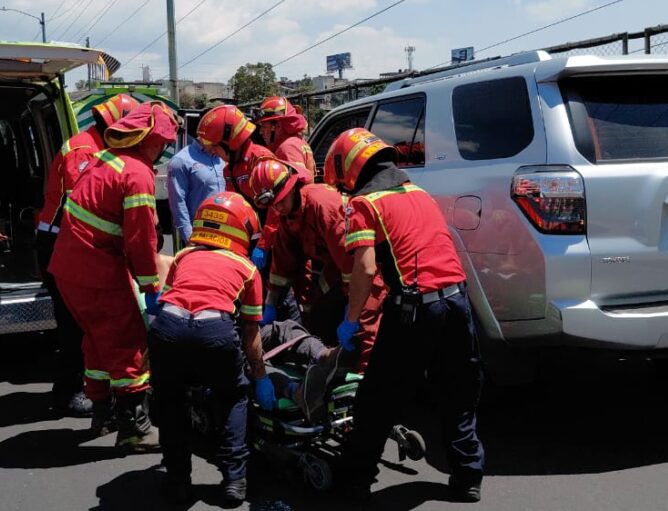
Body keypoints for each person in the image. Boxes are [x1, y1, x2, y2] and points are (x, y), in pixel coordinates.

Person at [326, 128, 485, 503]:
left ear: (349, 169)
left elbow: (365, 268)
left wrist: (351, 320)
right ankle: (468, 477)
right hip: (458, 302)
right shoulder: (419, 193)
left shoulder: (364, 205)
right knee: (458, 393)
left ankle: (355, 481)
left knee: (377, 399)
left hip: (415, 310)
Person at [48, 101, 178, 449]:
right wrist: (150, 286)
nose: (163, 150)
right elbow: (140, 239)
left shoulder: (107, 158)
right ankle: (135, 429)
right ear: (150, 139)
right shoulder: (136, 173)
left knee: (96, 340)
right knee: (127, 342)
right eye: (163, 143)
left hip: (69, 270)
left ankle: (102, 414)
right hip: (96, 272)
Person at [146, 192, 273, 506]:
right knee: (232, 397)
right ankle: (234, 480)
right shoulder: (247, 269)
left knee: (171, 402)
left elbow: (166, 304)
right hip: (214, 331)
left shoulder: (184, 256)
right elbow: (250, 332)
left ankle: (177, 481)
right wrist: (259, 376)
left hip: (167, 329)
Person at [35, 94, 139, 416]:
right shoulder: (84, 150)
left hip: (72, 239)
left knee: (85, 320)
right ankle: (68, 393)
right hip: (61, 240)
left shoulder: (99, 148)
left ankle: (90, 386)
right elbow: (84, 204)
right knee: (73, 322)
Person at [249, 156, 385, 372]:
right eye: (273, 205)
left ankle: (362, 376)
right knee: (318, 314)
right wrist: (271, 303)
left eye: (281, 201)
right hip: (336, 268)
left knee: (364, 322)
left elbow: (354, 266)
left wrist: (352, 309)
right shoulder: (289, 215)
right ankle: (332, 362)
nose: (278, 208)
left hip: (363, 268)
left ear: (292, 187)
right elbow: (283, 264)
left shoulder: (322, 205)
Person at [196, 105, 300, 322]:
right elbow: (235, 208)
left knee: (280, 293)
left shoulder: (260, 159)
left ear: (229, 142)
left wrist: (263, 245)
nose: (211, 151)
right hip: (252, 243)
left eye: (214, 146)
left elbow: (276, 206)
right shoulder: (229, 169)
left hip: (272, 242)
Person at [166, 124, 226, 247]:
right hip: (199, 235)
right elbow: (177, 202)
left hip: (223, 233)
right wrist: (189, 237)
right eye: (214, 143)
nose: (217, 147)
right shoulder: (181, 161)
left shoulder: (221, 157)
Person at [255, 96, 316, 181]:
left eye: (264, 126)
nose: (260, 132)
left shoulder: (287, 148)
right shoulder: (296, 141)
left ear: (277, 126)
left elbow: (294, 184)